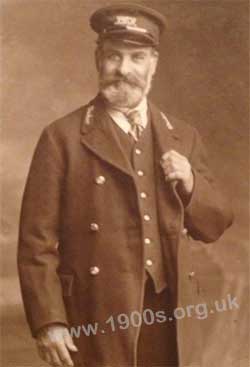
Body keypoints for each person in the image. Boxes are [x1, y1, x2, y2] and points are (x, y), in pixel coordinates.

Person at [17, 3, 233, 367]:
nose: (124, 70)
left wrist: (192, 184)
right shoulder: (63, 138)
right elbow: (36, 243)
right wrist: (49, 321)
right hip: (97, 314)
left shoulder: (182, 136)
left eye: (137, 58)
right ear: (98, 59)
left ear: (154, 64)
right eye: (114, 56)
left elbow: (214, 225)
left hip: (172, 312)